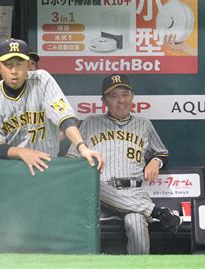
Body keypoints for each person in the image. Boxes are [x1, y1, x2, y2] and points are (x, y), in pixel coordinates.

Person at [66, 73, 181, 255]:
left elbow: (162, 152)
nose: (121, 100)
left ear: (132, 97)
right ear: (104, 101)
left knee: (136, 221)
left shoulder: (144, 124)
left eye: (125, 95)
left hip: (133, 192)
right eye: (114, 96)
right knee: (94, 184)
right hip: (100, 195)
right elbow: (71, 159)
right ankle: (158, 212)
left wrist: (155, 161)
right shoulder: (90, 123)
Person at [0, 38, 104, 175]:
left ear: (28, 64)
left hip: (48, 168)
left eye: (19, 64)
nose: (14, 70)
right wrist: (23, 153)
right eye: (8, 65)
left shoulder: (42, 80)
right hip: (11, 172)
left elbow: (64, 118)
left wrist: (82, 147)